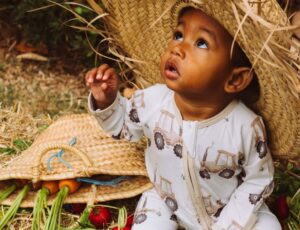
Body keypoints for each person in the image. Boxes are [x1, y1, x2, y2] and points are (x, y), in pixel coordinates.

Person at [85, 1, 299, 229]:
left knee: (269, 226)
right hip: (168, 203)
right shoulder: (153, 101)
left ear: (235, 79)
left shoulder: (246, 126)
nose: (178, 48)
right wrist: (107, 101)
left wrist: (228, 225)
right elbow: (123, 126)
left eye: (201, 43)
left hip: (229, 208)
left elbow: (258, 180)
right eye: (178, 35)